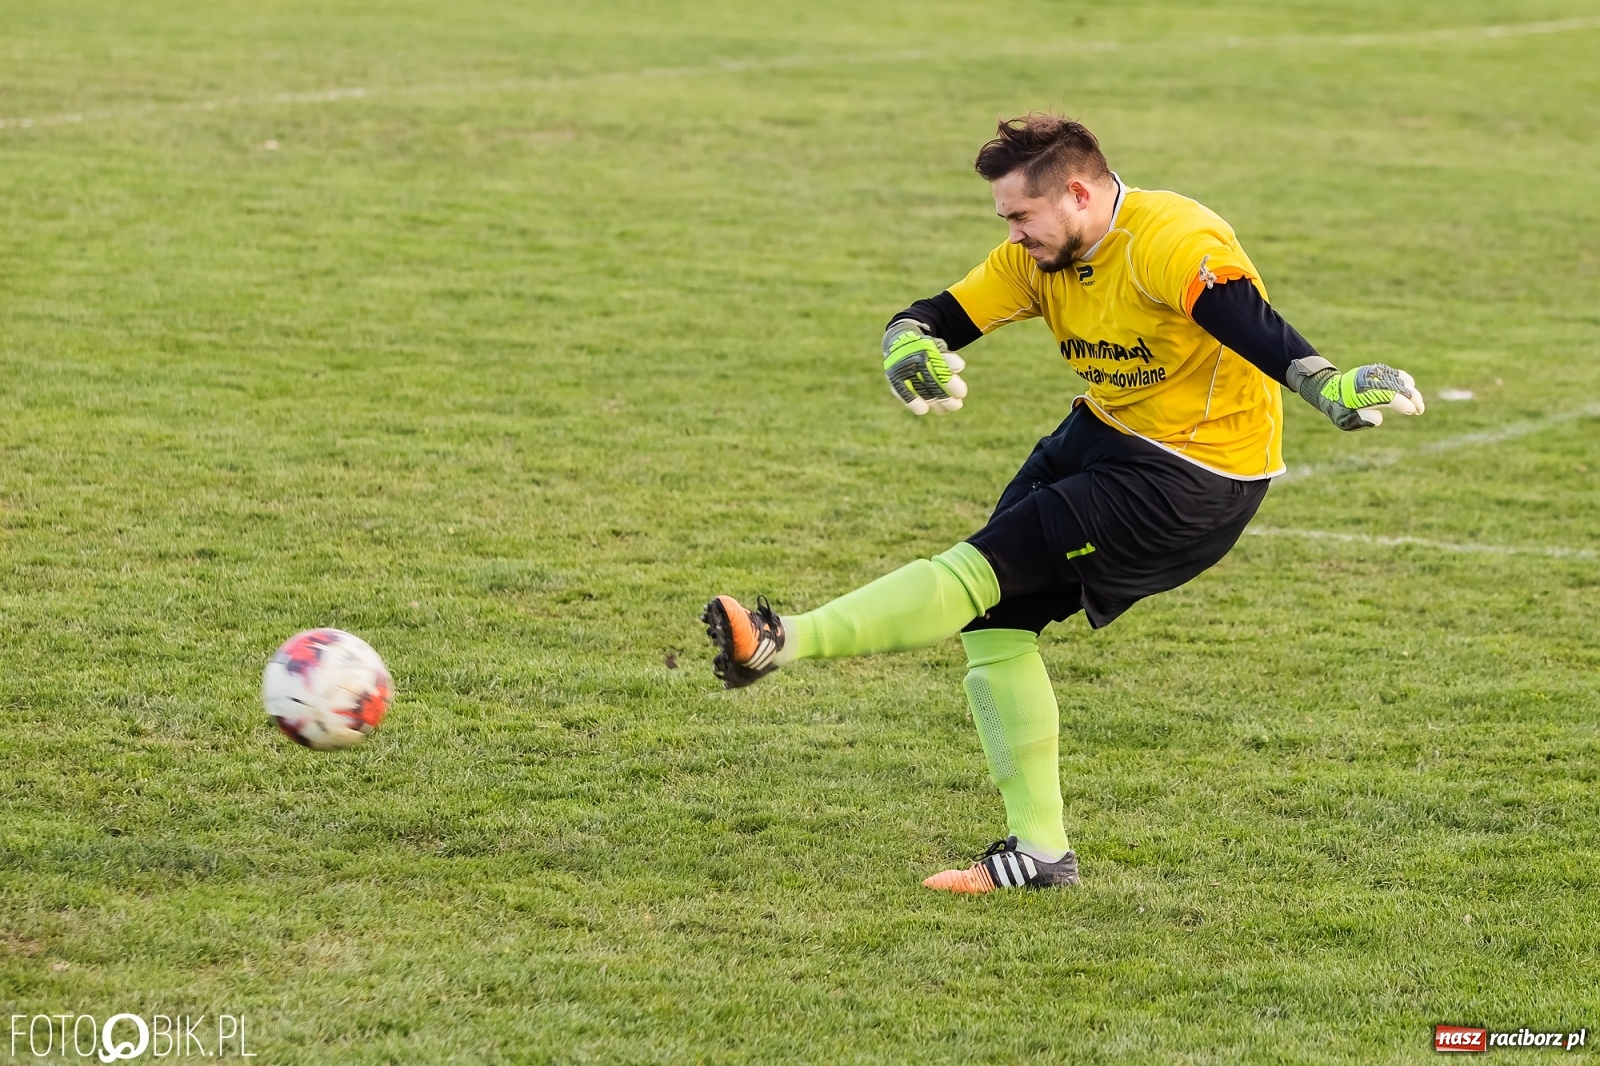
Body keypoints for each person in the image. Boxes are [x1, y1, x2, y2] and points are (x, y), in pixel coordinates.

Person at [701, 113, 1425, 894]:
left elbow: (1243, 319)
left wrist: (1326, 383)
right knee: (995, 624)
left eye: (1020, 215)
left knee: (977, 571)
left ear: (1077, 192)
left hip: (1192, 475)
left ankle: (780, 641)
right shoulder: (1037, 257)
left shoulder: (1173, 237)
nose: (1012, 234)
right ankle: (1041, 856)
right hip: (1103, 432)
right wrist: (905, 344)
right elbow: (938, 312)